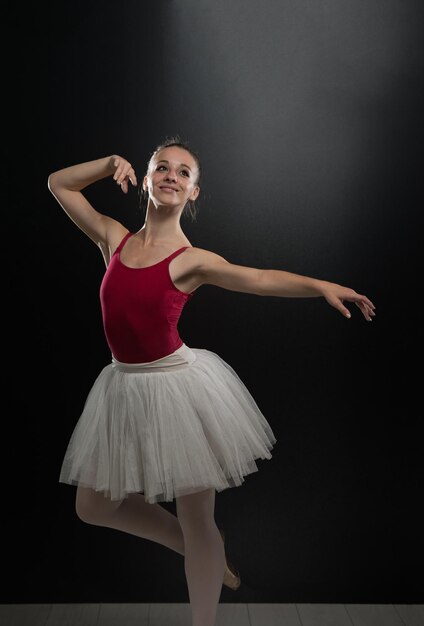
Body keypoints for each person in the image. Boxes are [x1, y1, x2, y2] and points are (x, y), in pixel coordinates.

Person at [47, 136, 375, 626]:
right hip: (123, 386)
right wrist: (107, 163)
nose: (171, 176)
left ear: (193, 192)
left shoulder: (191, 260)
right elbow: (58, 184)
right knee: (92, 504)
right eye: (162, 167)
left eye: (183, 173)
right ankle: (203, 551)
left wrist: (320, 286)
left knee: (198, 518)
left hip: (179, 388)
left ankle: (204, 606)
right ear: (146, 178)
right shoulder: (114, 239)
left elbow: (261, 278)